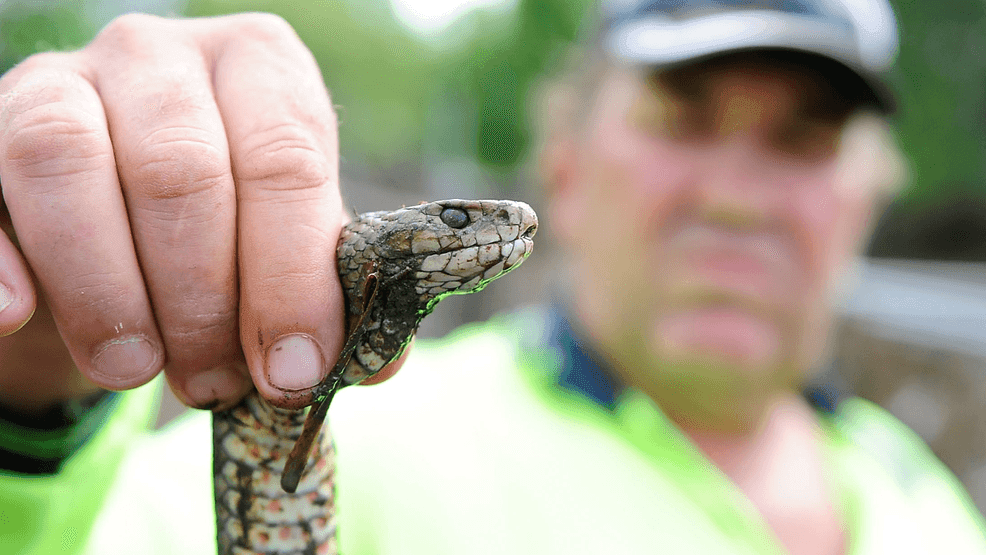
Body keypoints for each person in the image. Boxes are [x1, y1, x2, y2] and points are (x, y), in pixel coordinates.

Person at [0, 2, 983, 555]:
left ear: (868, 192)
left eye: (801, 139)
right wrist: (31, 396)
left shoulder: (930, 504)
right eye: (680, 120)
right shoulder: (383, 424)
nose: (734, 197)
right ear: (563, 163)